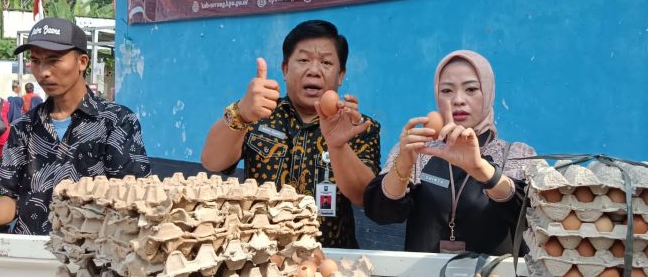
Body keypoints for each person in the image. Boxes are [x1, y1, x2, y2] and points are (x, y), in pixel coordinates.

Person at [201, 20, 381, 248]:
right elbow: (212, 161)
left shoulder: (359, 126)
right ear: (285, 69)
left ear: (340, 75)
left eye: (326, 62)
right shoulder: (259, 114)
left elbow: (365, 197)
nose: (314, 71)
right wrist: (241, 113)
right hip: (260, 255)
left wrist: (340, 146)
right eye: (303, 60)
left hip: (329, 257)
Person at [0, 17, 151, 235]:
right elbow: (9, 197)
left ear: (82, 62)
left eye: (54, 60)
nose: (43, 72)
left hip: (91, 251)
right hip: (30, 250)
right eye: (36, 61)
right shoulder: (23, 127)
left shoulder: (116, 121)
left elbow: (133, 196)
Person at [363, 50, 536, 254]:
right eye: (446, 90)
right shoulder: (418, 150)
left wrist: (480, 169)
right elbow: (381, 213)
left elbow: (530, 215)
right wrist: (402, 164)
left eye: (471, 89)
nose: (458, 100)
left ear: (488, 92)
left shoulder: (516, 154)